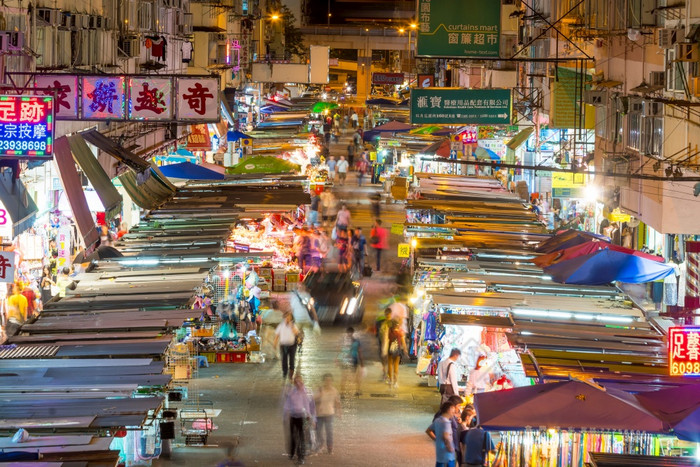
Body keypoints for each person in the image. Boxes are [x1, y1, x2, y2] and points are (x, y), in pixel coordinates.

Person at [284, 373, 314, 464]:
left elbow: (306, 404)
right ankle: (292, 453)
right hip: (293, 417)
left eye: (299, 381)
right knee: (293, 436)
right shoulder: (292, 392)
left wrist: (309, 415)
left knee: (301, 437)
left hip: (301, 417)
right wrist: (285, 414)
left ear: (302, 382)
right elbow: (288, 404)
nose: (298, 383)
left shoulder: (304, 392)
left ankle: (301, 456)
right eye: (296, 382)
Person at [426, 396, 464, 463]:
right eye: (459, 406)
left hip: (452, 448)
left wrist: (458, 420)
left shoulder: (450, 415)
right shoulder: (443, 418)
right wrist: (446, 445)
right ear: (452, 407)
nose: (460, 408)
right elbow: (444, 434)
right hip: (448, 450)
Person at [314, 373, 341, 454]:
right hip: (319, 414)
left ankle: (330, 447)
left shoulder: (334, 390)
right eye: (326, 380)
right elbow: (313, 399)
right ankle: (320, 445)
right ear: (323, 381)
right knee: (319, 431)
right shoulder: (319, 389)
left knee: (329, 431)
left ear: (332, 381)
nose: (328, 382)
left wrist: (339, 412)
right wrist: (319, 395)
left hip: (329, 414)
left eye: (329, 380)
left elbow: (337, 402)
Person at [426, 402, 457, 467]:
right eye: (453, 411)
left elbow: (428, 430)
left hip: (440, 453)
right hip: (448, 456)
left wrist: (436, 439)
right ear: (449, 409)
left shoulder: (437, 420)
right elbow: (446, 436)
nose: (454, 413)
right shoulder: (446, 423)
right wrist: (450, 448)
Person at [273, 312, 300, 380]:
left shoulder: (294, 325)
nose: (288, 319)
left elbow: (296, 333)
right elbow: (277, 335)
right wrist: (275, 343)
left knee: (292, 360)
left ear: (291, 318)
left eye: (289, 317)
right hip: (283, 345)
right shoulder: (281, 325)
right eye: (286, 317)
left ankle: (291, 373)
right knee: (284, 359)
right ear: (284, 318)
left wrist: (291, 326)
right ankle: (285, 372)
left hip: (292, 345)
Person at [338, 326, 364, 396]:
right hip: (354, 360)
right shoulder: (356, 341)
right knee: (356, 376)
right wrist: (362, 363)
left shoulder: (344, 341)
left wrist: (338, 360)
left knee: (344, 376)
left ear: (347, 332)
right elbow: (359, 352)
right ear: (353, 333)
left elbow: (340, 351)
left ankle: (342, 393)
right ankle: (357, 391)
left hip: (345, 360)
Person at [386, 319, 406, 389]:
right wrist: (405, 350)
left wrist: (384, 350)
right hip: (397, 350)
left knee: (390, 365)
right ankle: (395, 382)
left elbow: (386, 341)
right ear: (397, 325)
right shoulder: (400, 332)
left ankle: (390, 380)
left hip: (390, 350)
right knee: (396, 366)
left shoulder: (389, 331)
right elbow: (403, 343)